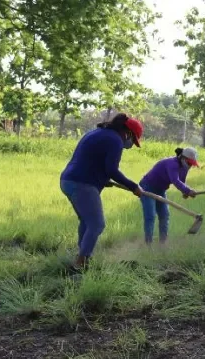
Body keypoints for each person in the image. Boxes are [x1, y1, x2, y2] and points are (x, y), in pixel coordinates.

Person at [59, 113, 144, 270]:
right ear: (128, 132)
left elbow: (93, 161)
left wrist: (102, 179)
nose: (131, 144)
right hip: (82, 184)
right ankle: (81, 262)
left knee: (87, 221)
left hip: (68, 181)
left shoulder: (98, 133)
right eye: (133, 139)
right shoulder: (115, 141)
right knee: (97, 224)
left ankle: (84, 255)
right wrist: (133, 186)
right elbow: (112, 170)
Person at [139, 147, 200, 245]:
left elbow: (182, 180)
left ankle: (163, 244)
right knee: (150, 215)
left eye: (192, 164)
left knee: (164, 215)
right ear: (183, 158)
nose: (190, 166)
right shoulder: (172, 164)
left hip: (161, 190)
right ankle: (148, 245)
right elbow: (175, 180)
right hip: (147, 187)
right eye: (189, 163)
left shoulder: (184, 167)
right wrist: (188, 191)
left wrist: (185, 192)